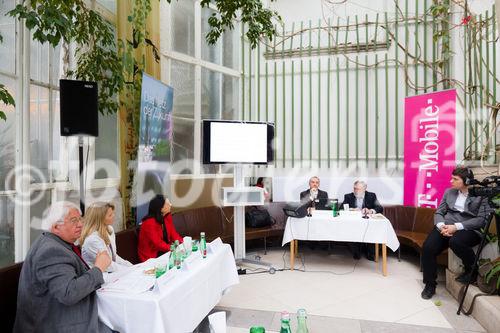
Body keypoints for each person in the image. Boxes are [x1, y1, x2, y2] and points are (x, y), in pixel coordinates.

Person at [14, 201, 112, 333]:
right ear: (55, 227)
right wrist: (98, 268)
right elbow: (68, 294)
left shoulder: (56, 243)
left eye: (80, 218)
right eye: (73, 220)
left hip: (63, 316)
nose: (81, 224)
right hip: (54, 325)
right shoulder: (51, 251)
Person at [420, 167, 491, 300]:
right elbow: (439, 212)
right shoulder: (449, 192)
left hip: (468, 228)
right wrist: (441, 226)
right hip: (446, 226)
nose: (451, 181)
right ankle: (430, 285)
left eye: (455, 179)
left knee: (456, 241)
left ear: (466, 181)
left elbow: (481, 220)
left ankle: (472, 270)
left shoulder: (481, 195)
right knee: (428, 248)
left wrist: (456, 227)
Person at [80, 202, 132, 276]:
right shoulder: (92, 240)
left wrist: (131, 266)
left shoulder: (109, 229)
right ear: (100, 219)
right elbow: (108, 264)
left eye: (113, 213)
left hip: (112, 273)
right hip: (100, 278)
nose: (114, 216)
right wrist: (129, 271)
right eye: (110, 215)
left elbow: (114, 257)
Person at [341, 180, 383, 260]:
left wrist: (370, 211)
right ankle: (356, 251)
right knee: (349, 230)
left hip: (368, 222)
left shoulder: (371, 195)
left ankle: (370, 252)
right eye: (355, 188)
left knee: (373, 231)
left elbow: (379, 207)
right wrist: (351, 209)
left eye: (358, 189)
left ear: (364, 189)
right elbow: (341, 208)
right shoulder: (348, 196)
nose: (356, 191)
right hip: (354, 223)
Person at [138, 194, 184, 262]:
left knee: (184, 256)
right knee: (179, 260)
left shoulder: (167, 217)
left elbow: (173, 234)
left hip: (164, 250)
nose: (170, 205)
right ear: (161, 208)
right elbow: (158, 243)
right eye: (168, 204)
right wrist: (173, 248)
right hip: (151, 256)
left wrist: (182, 242)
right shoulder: (149, 223)